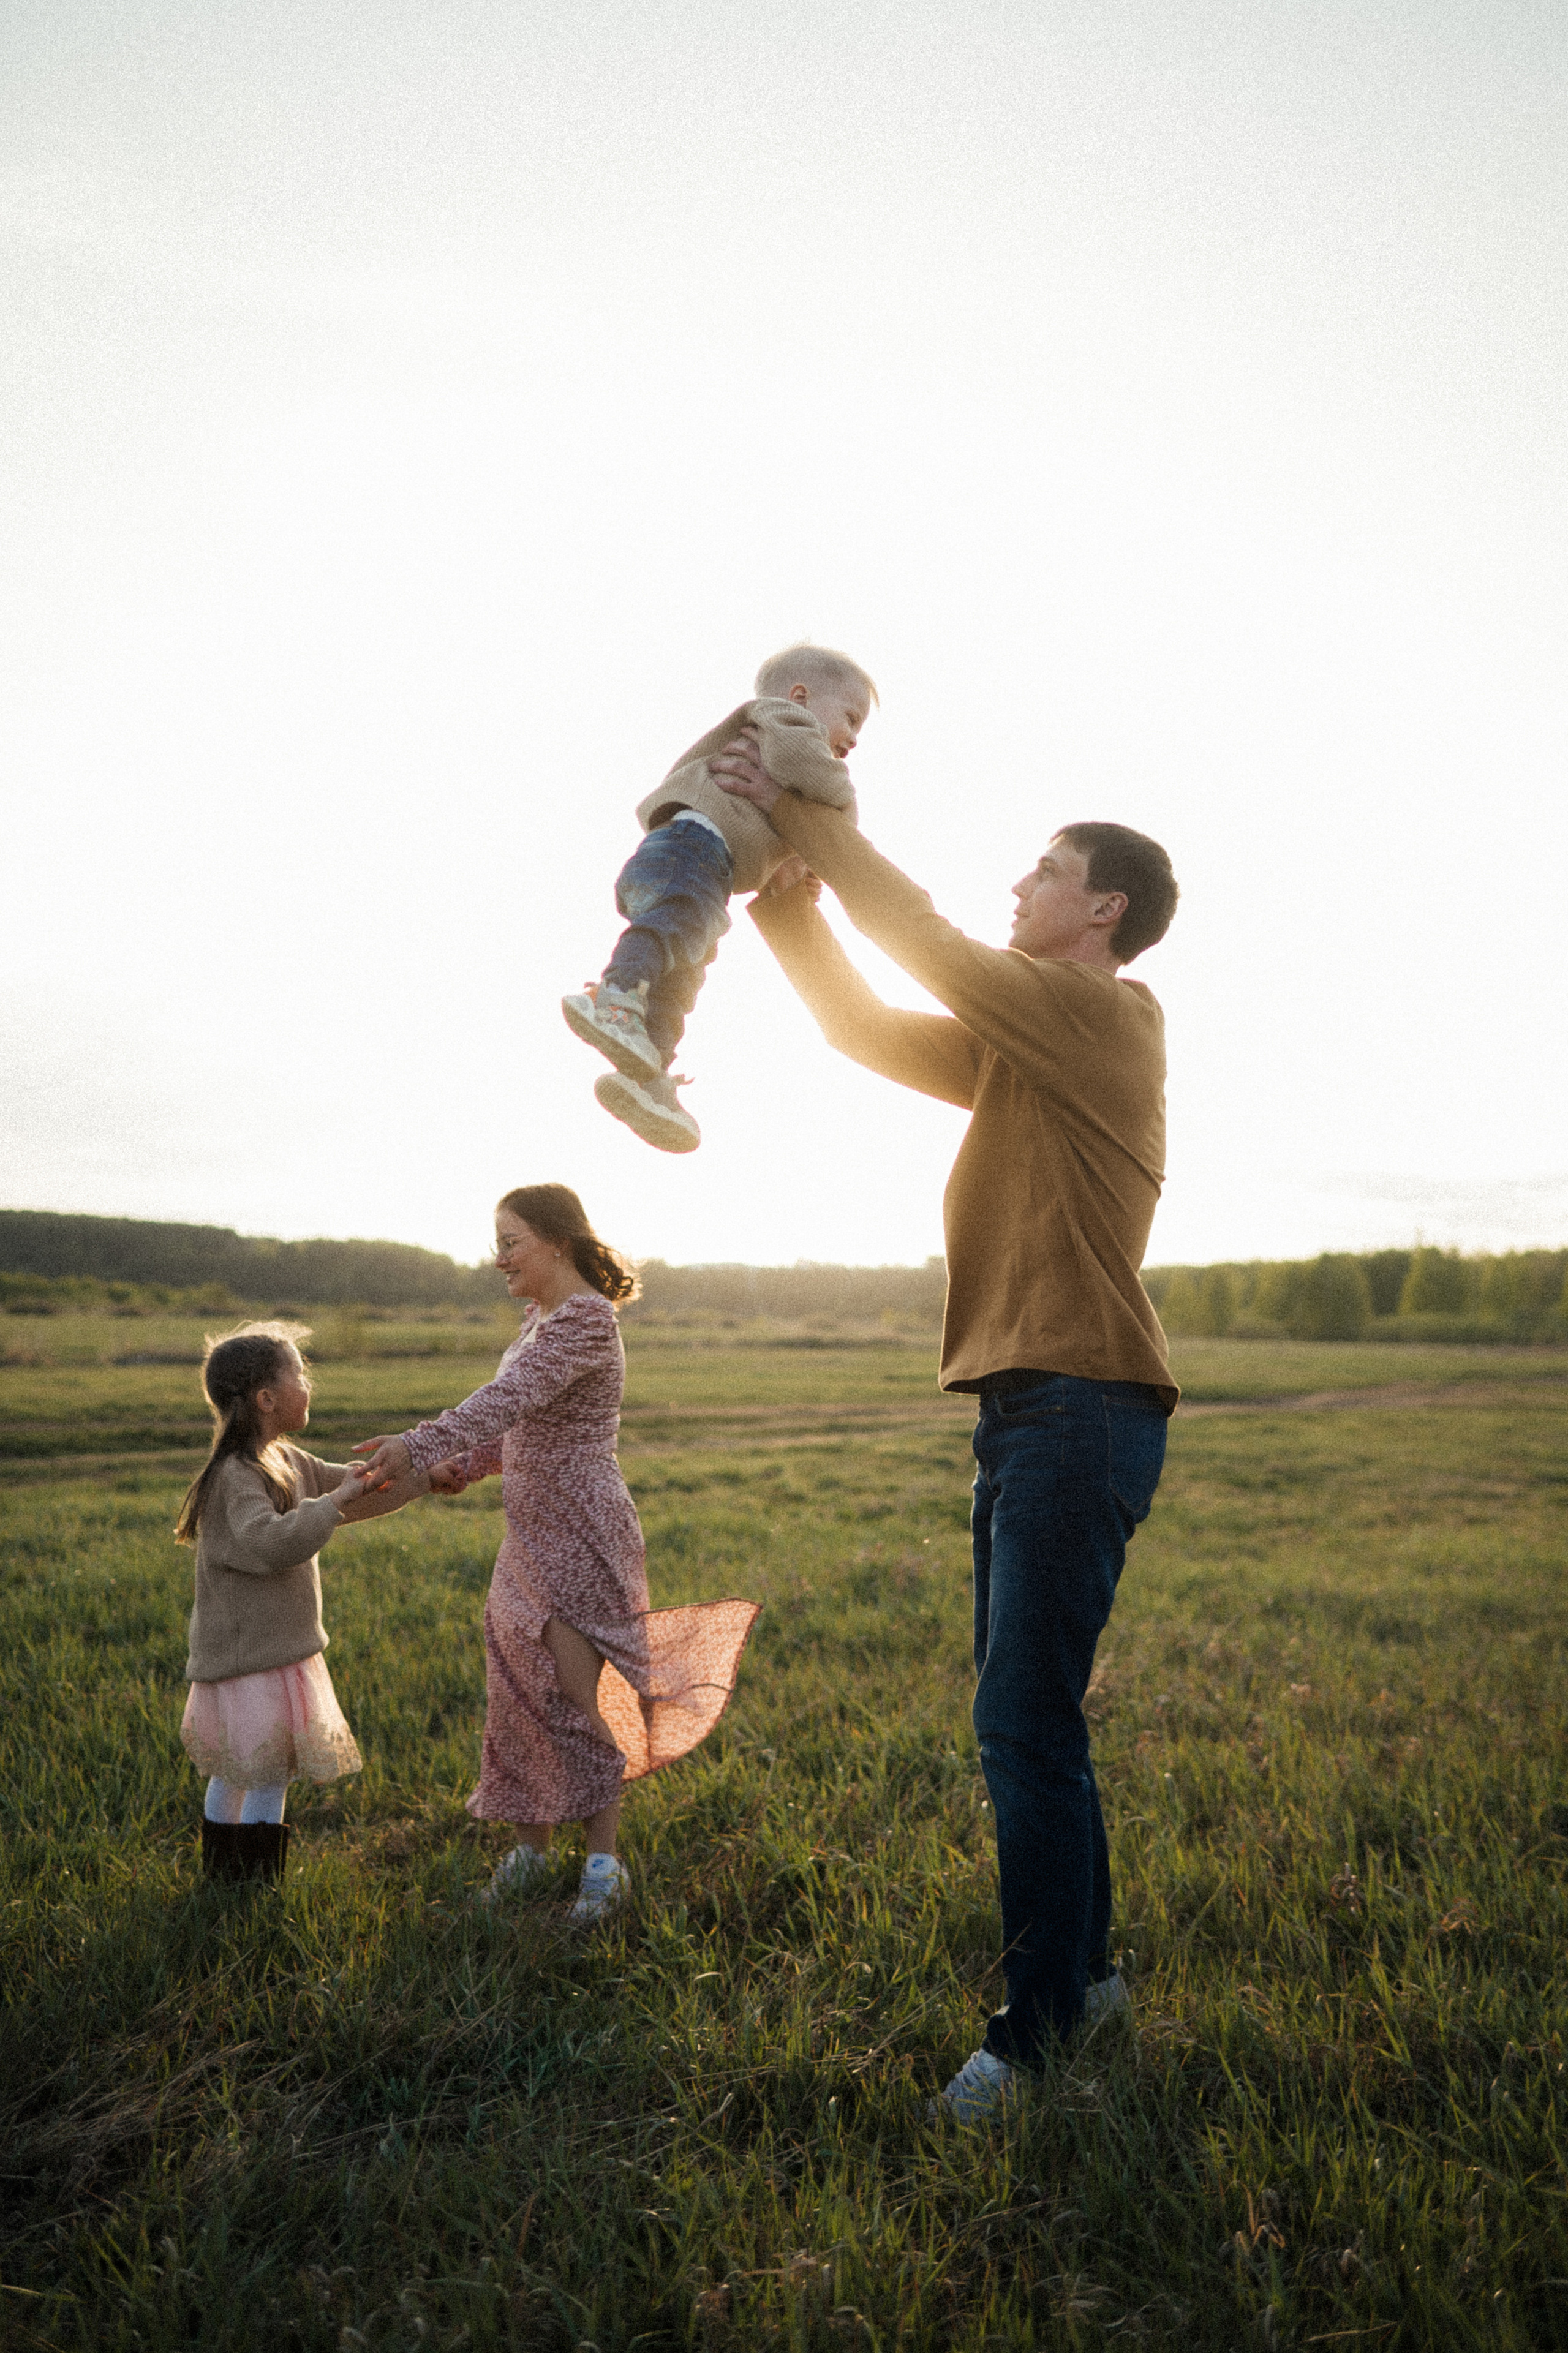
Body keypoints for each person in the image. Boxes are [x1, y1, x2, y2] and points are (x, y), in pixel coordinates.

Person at [715, 737, 1179, 2122]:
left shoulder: (1103, 1016)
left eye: (1044, 868)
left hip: (1076, 1403)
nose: (1020, 881)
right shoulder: (1020, 1045)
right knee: (1035, 1722)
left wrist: (799, 804)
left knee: (1019, 1727)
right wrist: (789, 903)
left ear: (1099, 908)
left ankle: (1031, 2037)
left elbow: (921, 936)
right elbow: (864, 1027)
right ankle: (1084, 1985)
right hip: (1030, 1406)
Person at [353, 1184, 759, 1922]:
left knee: (579, 1696)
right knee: (515, 1690)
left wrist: (418, 1442)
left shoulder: (586, 1319)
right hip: (527, 1535)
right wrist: (461, 1465)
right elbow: (514, 1426)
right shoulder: (537, 1321)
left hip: (581, 1528)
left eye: (511, 1240)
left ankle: (604, 1865)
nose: (499, 1256)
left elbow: (508, 1398)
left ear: (559, 1242)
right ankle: (529, 1854)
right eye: (496, 1241)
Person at [560, 643, 876, 1153]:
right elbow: (819, 778)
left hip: (704, 870)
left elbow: (786, 847)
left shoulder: (774, 760)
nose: (856, 740)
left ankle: (649, 1079)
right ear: (800, 696)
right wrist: (846, 813)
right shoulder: (782, 720)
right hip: (691, 849)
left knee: (682, 979)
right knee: (672, 931)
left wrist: (803, 866)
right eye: (852, 719)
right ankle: (616, 995)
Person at [176, 1321, 432, 1883]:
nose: (308, 1384)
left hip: (276, 1656)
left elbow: (356, 1490)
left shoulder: (286, 1458)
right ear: (268, 1399)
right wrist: (334, 1502)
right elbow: (271, 1543)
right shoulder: (236, 1477)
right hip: (249, 1662)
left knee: (255, 1769)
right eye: (300, 1373)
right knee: (258, 1772)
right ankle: (245, 1883)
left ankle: (231, 1882)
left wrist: (430, 1477)